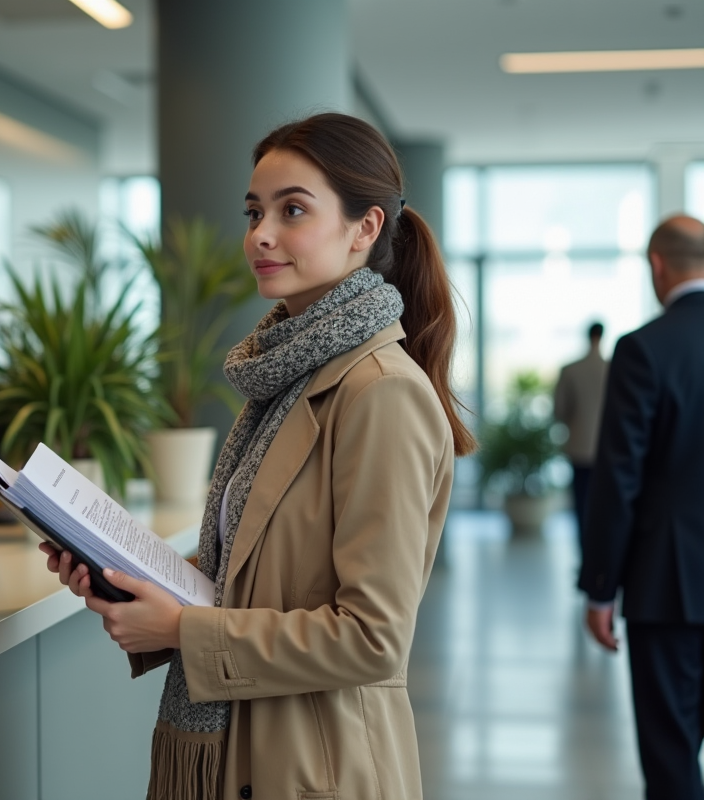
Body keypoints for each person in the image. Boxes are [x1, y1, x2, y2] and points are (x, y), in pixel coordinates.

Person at [41, 113, 474, 799]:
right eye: (254, 212)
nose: (261, 235)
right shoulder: (284, 376)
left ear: (364, 229)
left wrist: (184, 628)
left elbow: (373, 637)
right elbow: (256, 577)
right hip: (244, 749)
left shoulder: (380, 393)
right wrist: (122, 580)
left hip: (315, 765)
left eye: (292, 209)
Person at [579, 215, 704, 800]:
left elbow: (618, 479)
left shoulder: (644, 349)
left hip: (668, 586)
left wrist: (601, 587)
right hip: (669, 585)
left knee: (670, 752)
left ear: (658, 265)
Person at [554, 320, 609, 550]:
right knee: (604, 504)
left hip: (579, 447)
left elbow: (559, 411)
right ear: (602, 336)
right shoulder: (614, 368)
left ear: (588, 336)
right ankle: (601, 552)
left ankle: (584, 552)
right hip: (607, 450)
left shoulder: (570, 369)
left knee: (580, 504)